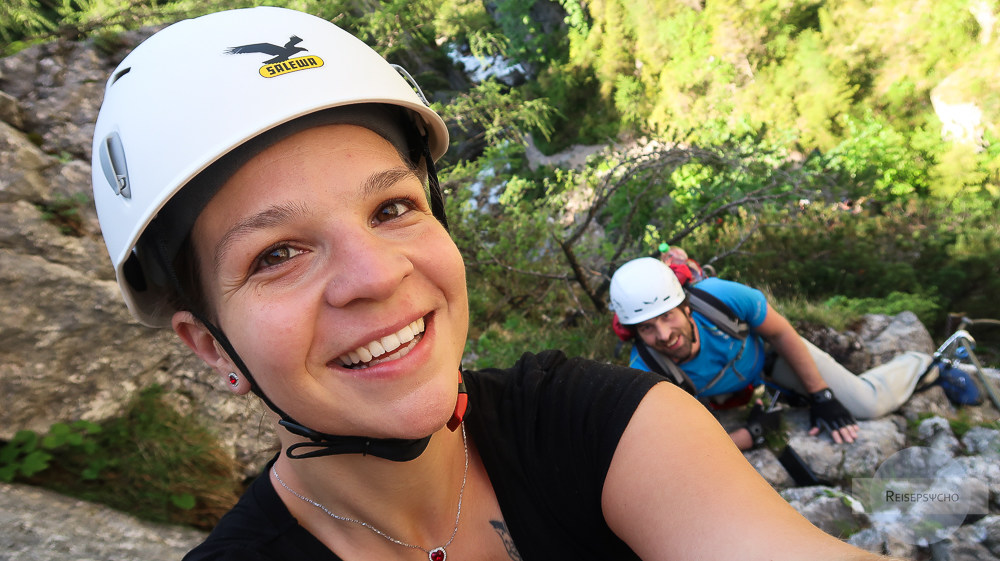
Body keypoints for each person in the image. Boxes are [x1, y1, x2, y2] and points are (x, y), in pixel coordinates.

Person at [91, 7, 902, 560]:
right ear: (209, 345)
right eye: (276, 253)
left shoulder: (596, 427)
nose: (376, 275)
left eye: (393, 206)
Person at [609, 257, 934, 451]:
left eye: (668, 317)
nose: (664, 335)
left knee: (867, 403)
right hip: (725, 395)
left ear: (686, 306)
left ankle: (921, 362)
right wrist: (751, 434)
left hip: (770, 359)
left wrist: (822, 396)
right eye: (647, 328)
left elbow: (779, 332)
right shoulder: (647, 370)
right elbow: (681, 452)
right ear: (634, 333)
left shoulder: (720, 298)